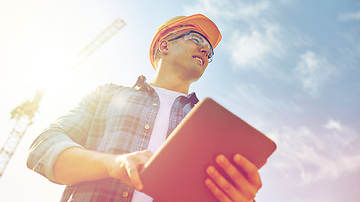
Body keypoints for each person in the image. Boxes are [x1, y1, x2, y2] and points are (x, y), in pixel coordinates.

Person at [27, 14, 263, 202]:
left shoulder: (213, 127)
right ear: (164, 45)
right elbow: (43, 147)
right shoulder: (107, 95)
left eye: (210, 51)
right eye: (197, 39)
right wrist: (112, 164)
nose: (205, 50)